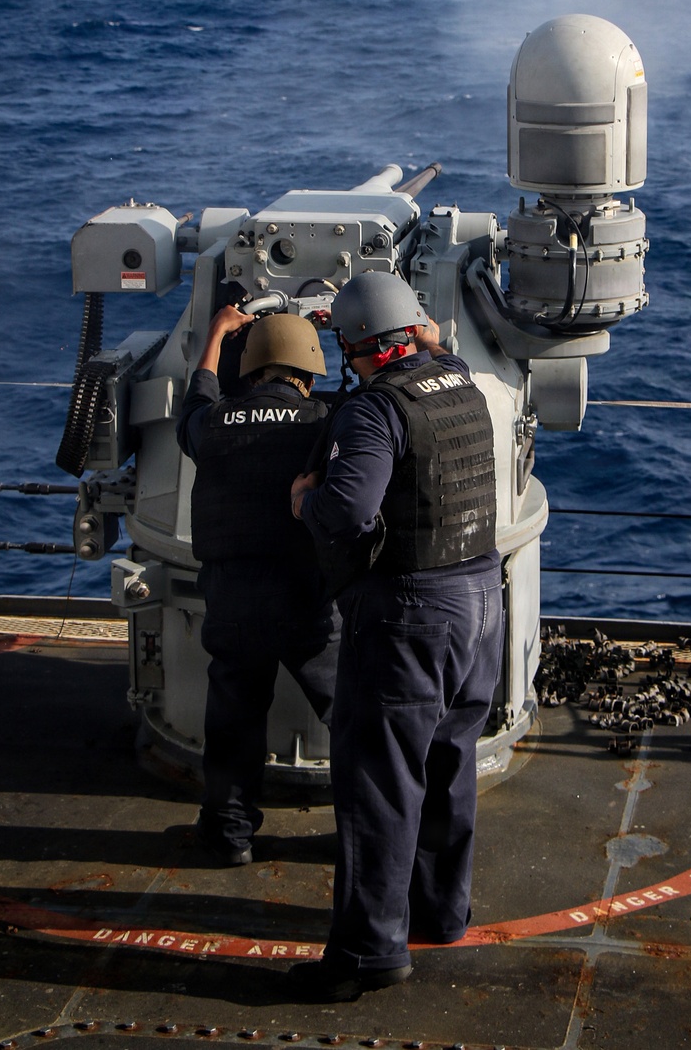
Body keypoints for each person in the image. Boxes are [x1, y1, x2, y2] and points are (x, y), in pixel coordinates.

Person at [288, 271, 502, 1003]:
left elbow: (349, 513)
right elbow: (434, 350)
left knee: (379, 784)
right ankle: (442, 914)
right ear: (412, 332)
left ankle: (367, 952)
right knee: (448, 763)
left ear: (355, 348)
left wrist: (307, 499)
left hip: (412, 612)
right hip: (481, 600)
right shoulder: (459, 382)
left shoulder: (374, 412)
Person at [176, 304, 340, 866]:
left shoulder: (210, 425)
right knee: (349, 715)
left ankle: (228, 835)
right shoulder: (327, 420)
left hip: (233, 597)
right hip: (308, 598)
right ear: (310, 374)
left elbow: (195, 397)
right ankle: (368, 832)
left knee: (234, 719)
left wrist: (218, 332)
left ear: (248, 374)